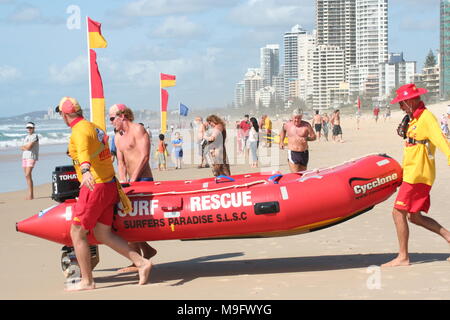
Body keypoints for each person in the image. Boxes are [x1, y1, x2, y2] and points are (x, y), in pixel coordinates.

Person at [56, 97, 152, 291]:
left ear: (65, 115)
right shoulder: (93, 127)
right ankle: (142, 263)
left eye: (61, 114)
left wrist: (84, 170)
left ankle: (87, 281)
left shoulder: (79, 131)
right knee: (102, 232)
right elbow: (101, 152)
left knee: (77, 231)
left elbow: (83, 151)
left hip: (94, 186)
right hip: (108, 185)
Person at [381, 84, 450, 267]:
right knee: (415, 217)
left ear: (411, 101)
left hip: (418, 175)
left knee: (398, 212)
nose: (400, 107)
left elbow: (441, 140)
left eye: (402, 104)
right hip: (412, 173)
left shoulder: (427, 118)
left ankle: (403, 257)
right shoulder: (413, 118)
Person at [109, 103, 157, 273]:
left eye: (112, 118)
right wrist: (123, 182)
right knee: (125, 219)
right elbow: (121, 163)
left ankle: (141, 256)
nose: (111, 122)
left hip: (143, 178)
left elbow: (145, 156)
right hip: (130, 181)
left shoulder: (138, 130)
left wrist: (134, 180)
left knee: (133, 220)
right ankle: (143, 253)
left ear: (122, 116)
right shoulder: (117, 137)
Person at [279, 108, 316, 173]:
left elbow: (314, 137)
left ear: (301, 117)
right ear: (292, 117)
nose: (297, 120)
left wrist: (307, 138)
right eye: (295, 118)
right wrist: (281, 141)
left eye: (299, 118)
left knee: (302, 174)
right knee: (295, 175)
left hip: (304, 153)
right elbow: (283, 131)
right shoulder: (287, 125)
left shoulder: (306, 125)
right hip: (293, 152)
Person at [21, 122, 39, 200]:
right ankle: (30, 194)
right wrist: (25, 147)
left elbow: (28, 147)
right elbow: (21, 147)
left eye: (30, 128)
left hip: (31, 157)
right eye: (28, 128)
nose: (29, 129)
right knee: (27, 176)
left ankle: (31, 195)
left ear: (33, 128)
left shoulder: (35, 136)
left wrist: (25, 147)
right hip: (24, 157)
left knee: (28, 174)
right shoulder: (26, 137)